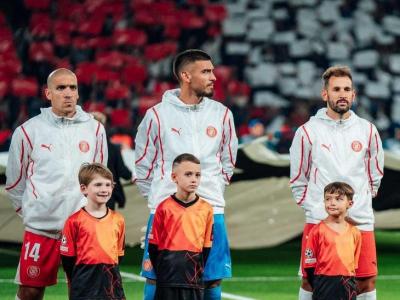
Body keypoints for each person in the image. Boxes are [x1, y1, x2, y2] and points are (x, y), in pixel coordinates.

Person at [135, 49, 238, 300]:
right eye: (206, 71)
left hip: (211, 210)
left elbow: (228, 162)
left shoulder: (222, 114)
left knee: (211, 280)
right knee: (156, 277)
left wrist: (210, 191)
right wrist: (163, 199)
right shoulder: (157, 115)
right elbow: (143, 166)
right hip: (167, 213)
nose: (214, 77)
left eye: (212, 71)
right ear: (186, 76)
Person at [5, 68, 108, 300]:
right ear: (48, 93)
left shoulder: (95, 130)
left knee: (84, 292)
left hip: (82, 229)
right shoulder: (28, 131)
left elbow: (100, 179)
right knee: (30, 292)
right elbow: (14, 182)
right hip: (41, 229)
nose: (68, 93)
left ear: (79, 93)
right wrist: (33, 212)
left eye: (73, 87)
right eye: (61, 88)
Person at [289, 65, 384, 300]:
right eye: (336, 89)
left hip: (359, 218)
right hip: (320, 219)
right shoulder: (308, 131)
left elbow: (376, 173)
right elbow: (298, 179)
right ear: (325, 94)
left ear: (353, 95)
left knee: (366, 280)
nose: (342, 94)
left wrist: (358, 203)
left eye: (347, 89)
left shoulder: (368, 130)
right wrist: (314, 208)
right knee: (310, 280)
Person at [148, 153, 213, 300]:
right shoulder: (163, 207)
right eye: (188, 174)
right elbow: (153, 246)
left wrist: (195, 270)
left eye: (197, 175)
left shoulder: (206, 209)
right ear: (174, 177)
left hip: (193, 279)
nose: (194, 179)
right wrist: (164, 271)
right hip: (167, 280)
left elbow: (206, 248)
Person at [60, 163, 126, 300]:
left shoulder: (118, 220)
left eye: (108, 185)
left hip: (112, 283)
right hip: (84, 284)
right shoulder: (74, 221)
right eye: (98, 185)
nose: (104, 189)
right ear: (84, 189)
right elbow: (67, 260)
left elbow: (119, 255)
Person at [304, 182, 361, 300]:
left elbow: (354, 265)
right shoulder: (317, 231)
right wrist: (318, 285)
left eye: (338, 199)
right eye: (328, 199)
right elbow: (309, 264)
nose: (332, 203)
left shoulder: (355, 232)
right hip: (323, 283)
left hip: (347, 284)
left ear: (349, 204)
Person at [91, 111, 132, 210]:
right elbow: (123, 172)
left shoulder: (82, 148)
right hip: (107, 196)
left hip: (87, 197)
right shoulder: (112, 148)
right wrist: (131, 175)